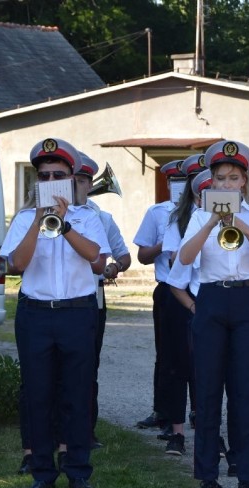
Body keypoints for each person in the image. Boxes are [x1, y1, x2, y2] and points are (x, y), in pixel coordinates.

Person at [1, 137, 109, 488]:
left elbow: (97, 259)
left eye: (57, 176)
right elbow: (16, 265)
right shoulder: (23, 219)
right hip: (35, 314)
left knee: (76, 393)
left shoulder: (87, 218)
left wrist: (63, 225)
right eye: (43, 176)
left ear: (71, 178)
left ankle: (78, 471)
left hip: (77, 312)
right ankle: (42, 473)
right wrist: (37, 220)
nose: (49, 182)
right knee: (38, 393)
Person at [179, 140, 249, 488]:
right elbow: (186, 257)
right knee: (207, 391)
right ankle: (207, 476)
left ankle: (246, 476)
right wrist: (210, 221)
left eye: (232, 178)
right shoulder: (197, 215)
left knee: (247, 390)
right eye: (219, 178)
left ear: (244, 183)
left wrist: (243, 226)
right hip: (212, 299)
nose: (225, 185)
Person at [76, 152, 131, 447]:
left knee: (88, 364)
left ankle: (87, 430)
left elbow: (124, 255)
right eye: (75, 180)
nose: (79, 185)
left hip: (92, 295)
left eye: (84, 181)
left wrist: (114, 267)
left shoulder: (102, 217)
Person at [158, 156, 208, 456]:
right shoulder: (178, 218)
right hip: (180, 295)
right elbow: (174, 258)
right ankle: (176, 431)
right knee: (178, 364)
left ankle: (209, 430)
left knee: (208, 369)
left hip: (211, 295)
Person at [132, 160, 184, 433]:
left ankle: (198, 414)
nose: (181, 187)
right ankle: (162, 412)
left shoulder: (206, 211)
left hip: (197, 289)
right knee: (166, 354)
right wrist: (166, 242)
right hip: (167, 288)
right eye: (176, 182)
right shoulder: (157, 212)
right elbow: (142, 257)